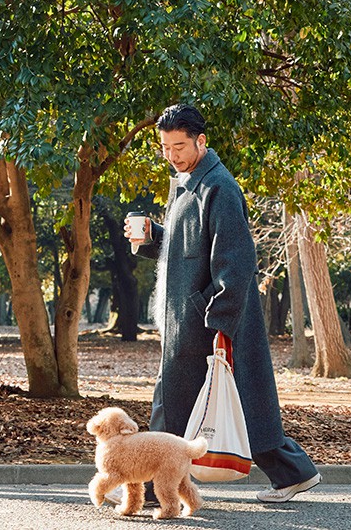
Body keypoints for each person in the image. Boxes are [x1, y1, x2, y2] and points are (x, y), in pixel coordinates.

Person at [125, 103, 319, 503]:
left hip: (206, 321)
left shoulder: (220, 188)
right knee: (202, 404)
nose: (171, 155)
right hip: (189, 319)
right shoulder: (186, 182)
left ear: (201, 141)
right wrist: (151, 238)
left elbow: (236, 263)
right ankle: (293, 472)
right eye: (164, 147)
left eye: (179, 146)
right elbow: (186, 249)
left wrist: (219, 324)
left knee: (213, 405)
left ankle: (144, 486)